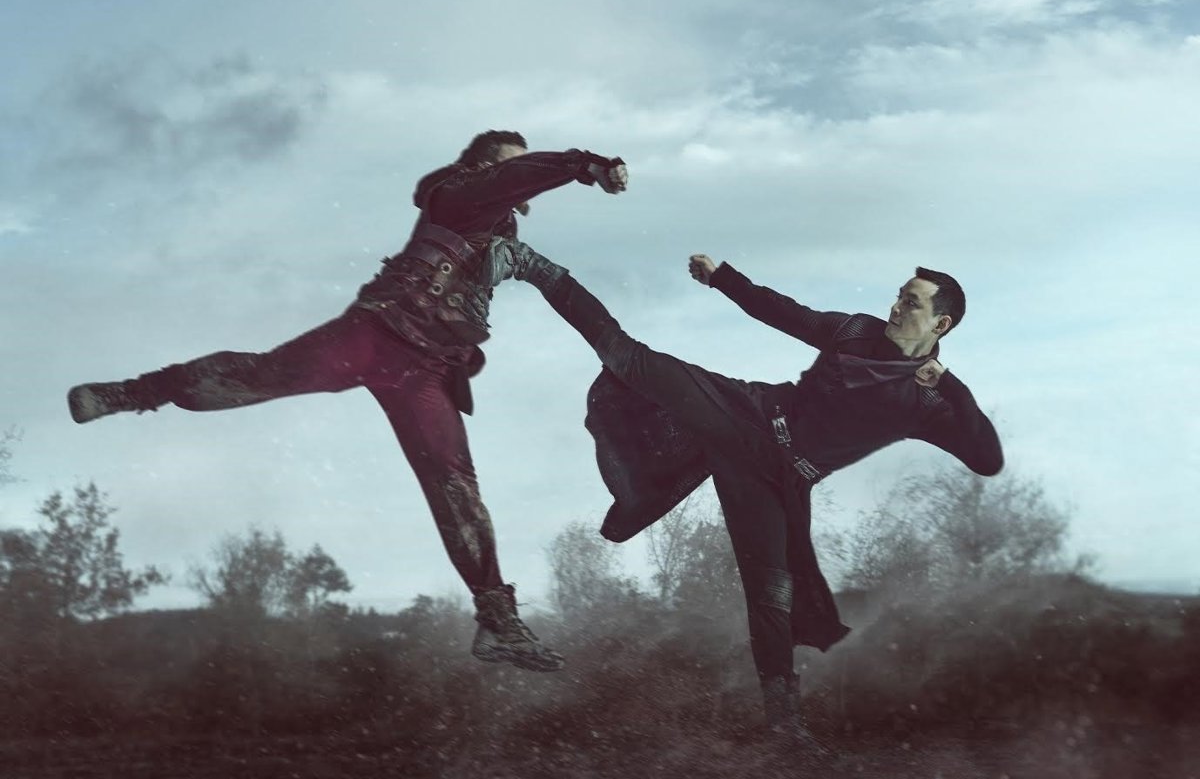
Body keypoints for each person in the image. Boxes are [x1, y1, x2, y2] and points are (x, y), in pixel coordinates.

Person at [66, 130, 630, 672]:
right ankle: (131, 392)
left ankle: (497, 620)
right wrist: (583, 165)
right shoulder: (458, 196)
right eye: (510, 164)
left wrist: (620, 348)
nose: (518, 177)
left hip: (426, 370)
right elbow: (510, 178)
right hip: (374, 337)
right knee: (260, 376)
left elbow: (559, 282)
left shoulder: (506, 244)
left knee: (456, 486)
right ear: (482, 167)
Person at [508, 246, 1002, 734]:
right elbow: (782, 312)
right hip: (750, 414)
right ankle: (534, 266)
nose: (895, 307)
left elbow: (987, 459)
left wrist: (951, 387)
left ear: (941, 324)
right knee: (630, 358)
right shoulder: (854, 331)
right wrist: (722, 277)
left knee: (771, 596)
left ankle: (785, 727)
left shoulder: (928, 402)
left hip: (779, 481)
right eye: (898, 296)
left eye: (911, 303)